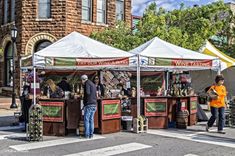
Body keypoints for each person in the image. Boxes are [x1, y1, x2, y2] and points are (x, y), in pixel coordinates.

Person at [81, 74, 97, 139]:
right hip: (94, 104)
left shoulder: (87, 83)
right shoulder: (93, 84)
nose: (81, 82)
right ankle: (91, 134)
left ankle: (87, 135)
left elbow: (87, 93)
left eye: (81, 80)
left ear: (83, 79)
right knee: (91, 120)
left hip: (89, 104)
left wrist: (84, 102)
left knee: (86, 120)